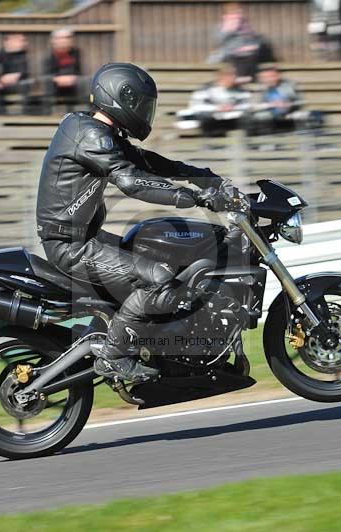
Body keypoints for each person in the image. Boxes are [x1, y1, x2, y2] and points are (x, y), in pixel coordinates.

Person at [36, 63, 225, 382]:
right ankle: (113, 357)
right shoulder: (90, 135)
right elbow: (132, 182)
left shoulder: (96, 131)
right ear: (123, 98)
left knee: (158, 257)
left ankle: (149, 343)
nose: (145, 111)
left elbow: (146, 162)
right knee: (158, 278)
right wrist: (193, 198)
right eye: (142, 104)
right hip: (73, 247)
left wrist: (202, 177)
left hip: (85, 237)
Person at [177, 65, 251, 136]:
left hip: (233, 119)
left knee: (247, 118)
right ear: (220, 76)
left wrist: (233, 108)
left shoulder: (240, 90)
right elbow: (195, 106)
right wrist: (218, 108)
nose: (232, 78)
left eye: (233, 75)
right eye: (228, 75)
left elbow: (247, 105)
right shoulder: (206, 89)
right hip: (212, 118)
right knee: (205, 118)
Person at [210, 2, 274, 83]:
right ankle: (239, 76)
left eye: (238, 13)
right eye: (234, 13)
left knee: (252, 56)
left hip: (247, 50)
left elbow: (252, 36)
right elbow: (220, 38)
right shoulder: (224, 26)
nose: (236, 16)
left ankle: (250, 76)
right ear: (227, 15)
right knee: (235, 60)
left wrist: (253, 43)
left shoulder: (245, 25)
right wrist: (229, 30)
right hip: (232, 51)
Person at [41, 28, 87, 113]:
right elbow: (46, 74)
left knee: (85, 82)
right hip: (55, 86)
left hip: (74, 84)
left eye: (67, 38)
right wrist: (56, 79)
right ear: (53, 40)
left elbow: (80, 72)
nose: (64, 41)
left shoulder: (76, 53)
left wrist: (73, 78)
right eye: (61, 38)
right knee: (47, 83)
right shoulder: (49, 56)